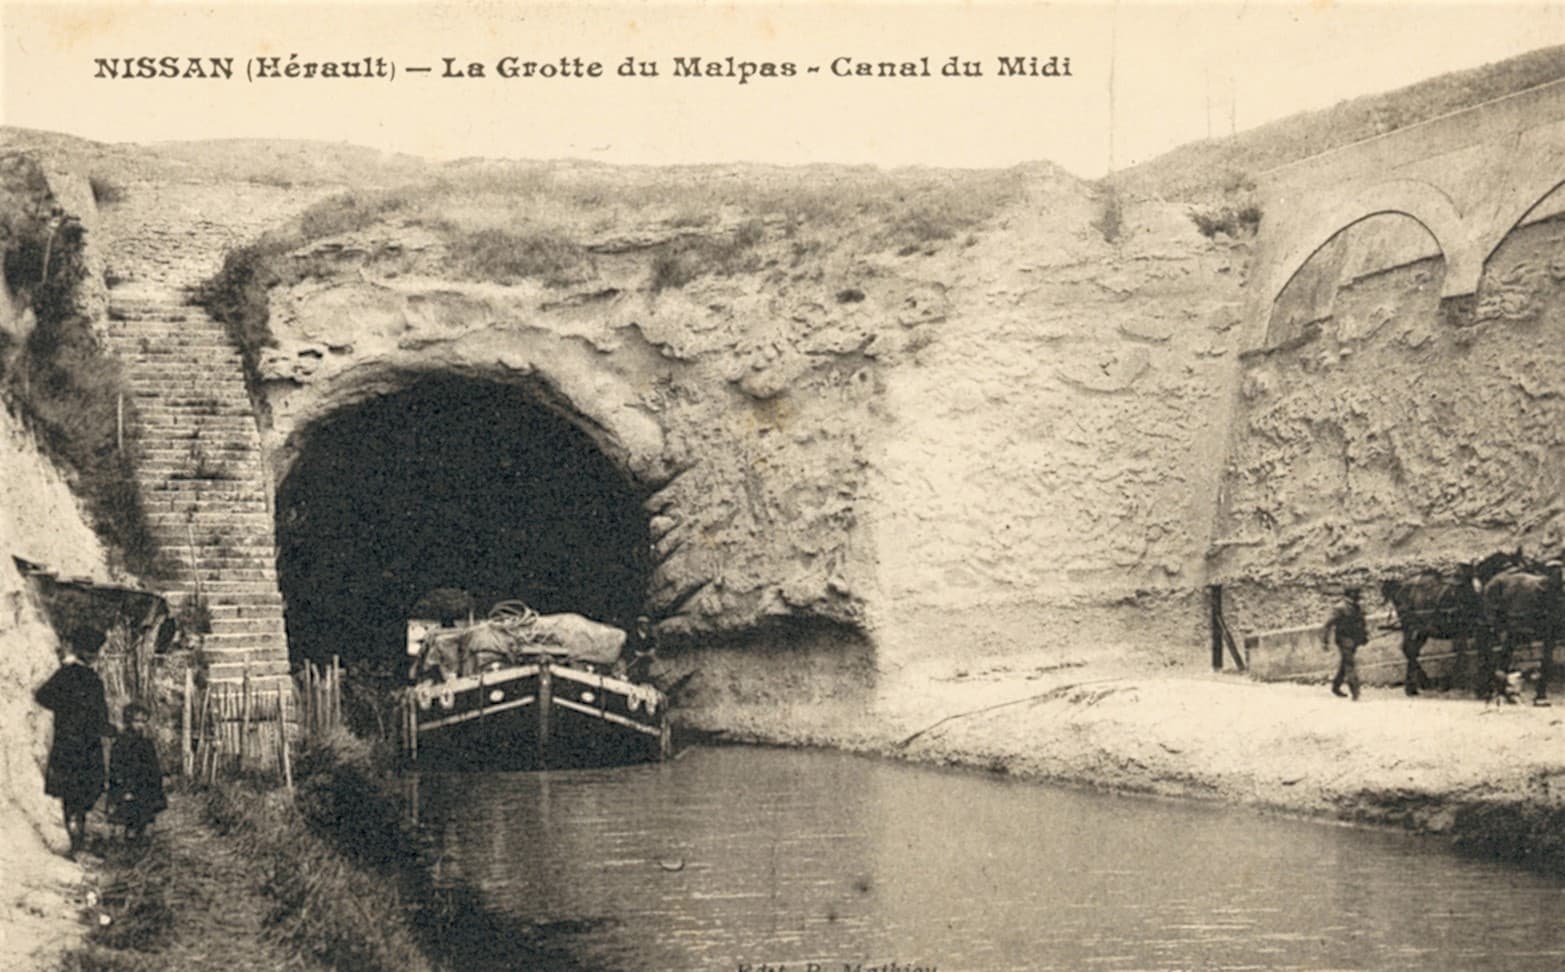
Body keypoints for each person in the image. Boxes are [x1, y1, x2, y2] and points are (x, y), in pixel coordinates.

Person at [34, 627, 115, 857]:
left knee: (69, 790)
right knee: (87, 787)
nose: (96, 655)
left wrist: (64, 710)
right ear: (89, 653)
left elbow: (42, 696)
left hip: (66, 742)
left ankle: (73, 835)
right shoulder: (92, 679)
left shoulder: (64, 674)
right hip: (86, 744)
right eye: (94, 651)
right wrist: (108, 730)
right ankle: (77, 835)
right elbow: (100, 715)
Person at [107, 702, 167, 841]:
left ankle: (141, 850)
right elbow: (116, 767)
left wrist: (156, 787)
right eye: (136, 721)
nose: (140, 725)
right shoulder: (121, 743)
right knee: (130, 821)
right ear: (129, 721)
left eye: (143, 722)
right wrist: (123, 788)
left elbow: (153, 767)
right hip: (128, 787)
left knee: (144, 821)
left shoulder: (147, 743)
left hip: (144, 788)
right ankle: (129, 850)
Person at [1321, 586, 1367, 701]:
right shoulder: (1339, 608)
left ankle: (1336, 686)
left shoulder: (1357, 607)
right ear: (1350, 595)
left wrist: (1364, 636)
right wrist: (1325, 641)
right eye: (1356, 595)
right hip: (1344, 640)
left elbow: (1361, 622)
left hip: (1354, 640)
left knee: (1345, 664)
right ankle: (1355, 692)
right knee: (1349, 664)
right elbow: (1328, 624)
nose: (1358, 598)